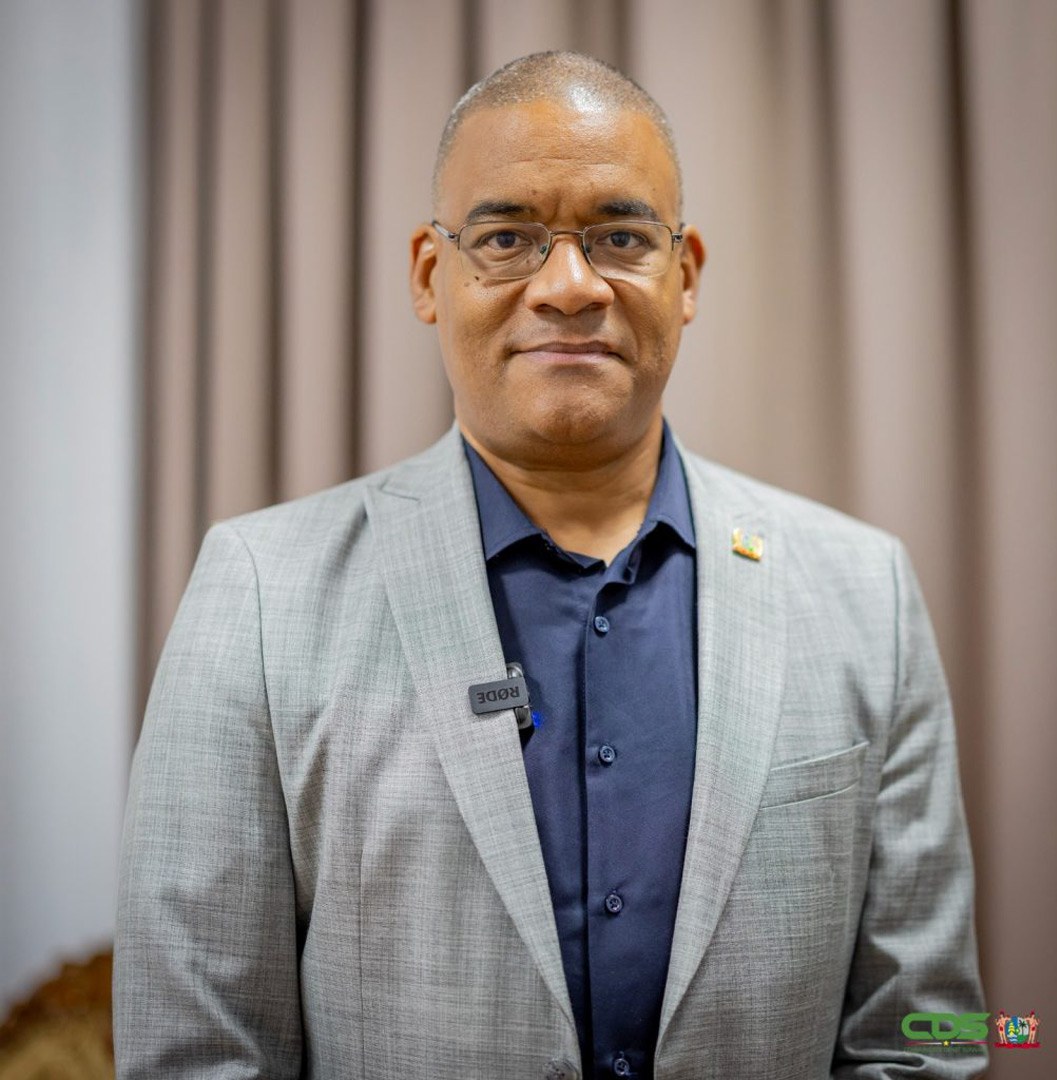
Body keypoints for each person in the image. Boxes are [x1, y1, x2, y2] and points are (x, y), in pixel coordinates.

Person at [113, 51, 987, 1080]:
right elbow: (198, 1050)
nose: (569, 287)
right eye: (506, 239)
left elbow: (930, 1034)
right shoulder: (262, 593)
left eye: (621, 237)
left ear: (686, 275)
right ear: (430, 276)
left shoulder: (865, 593)